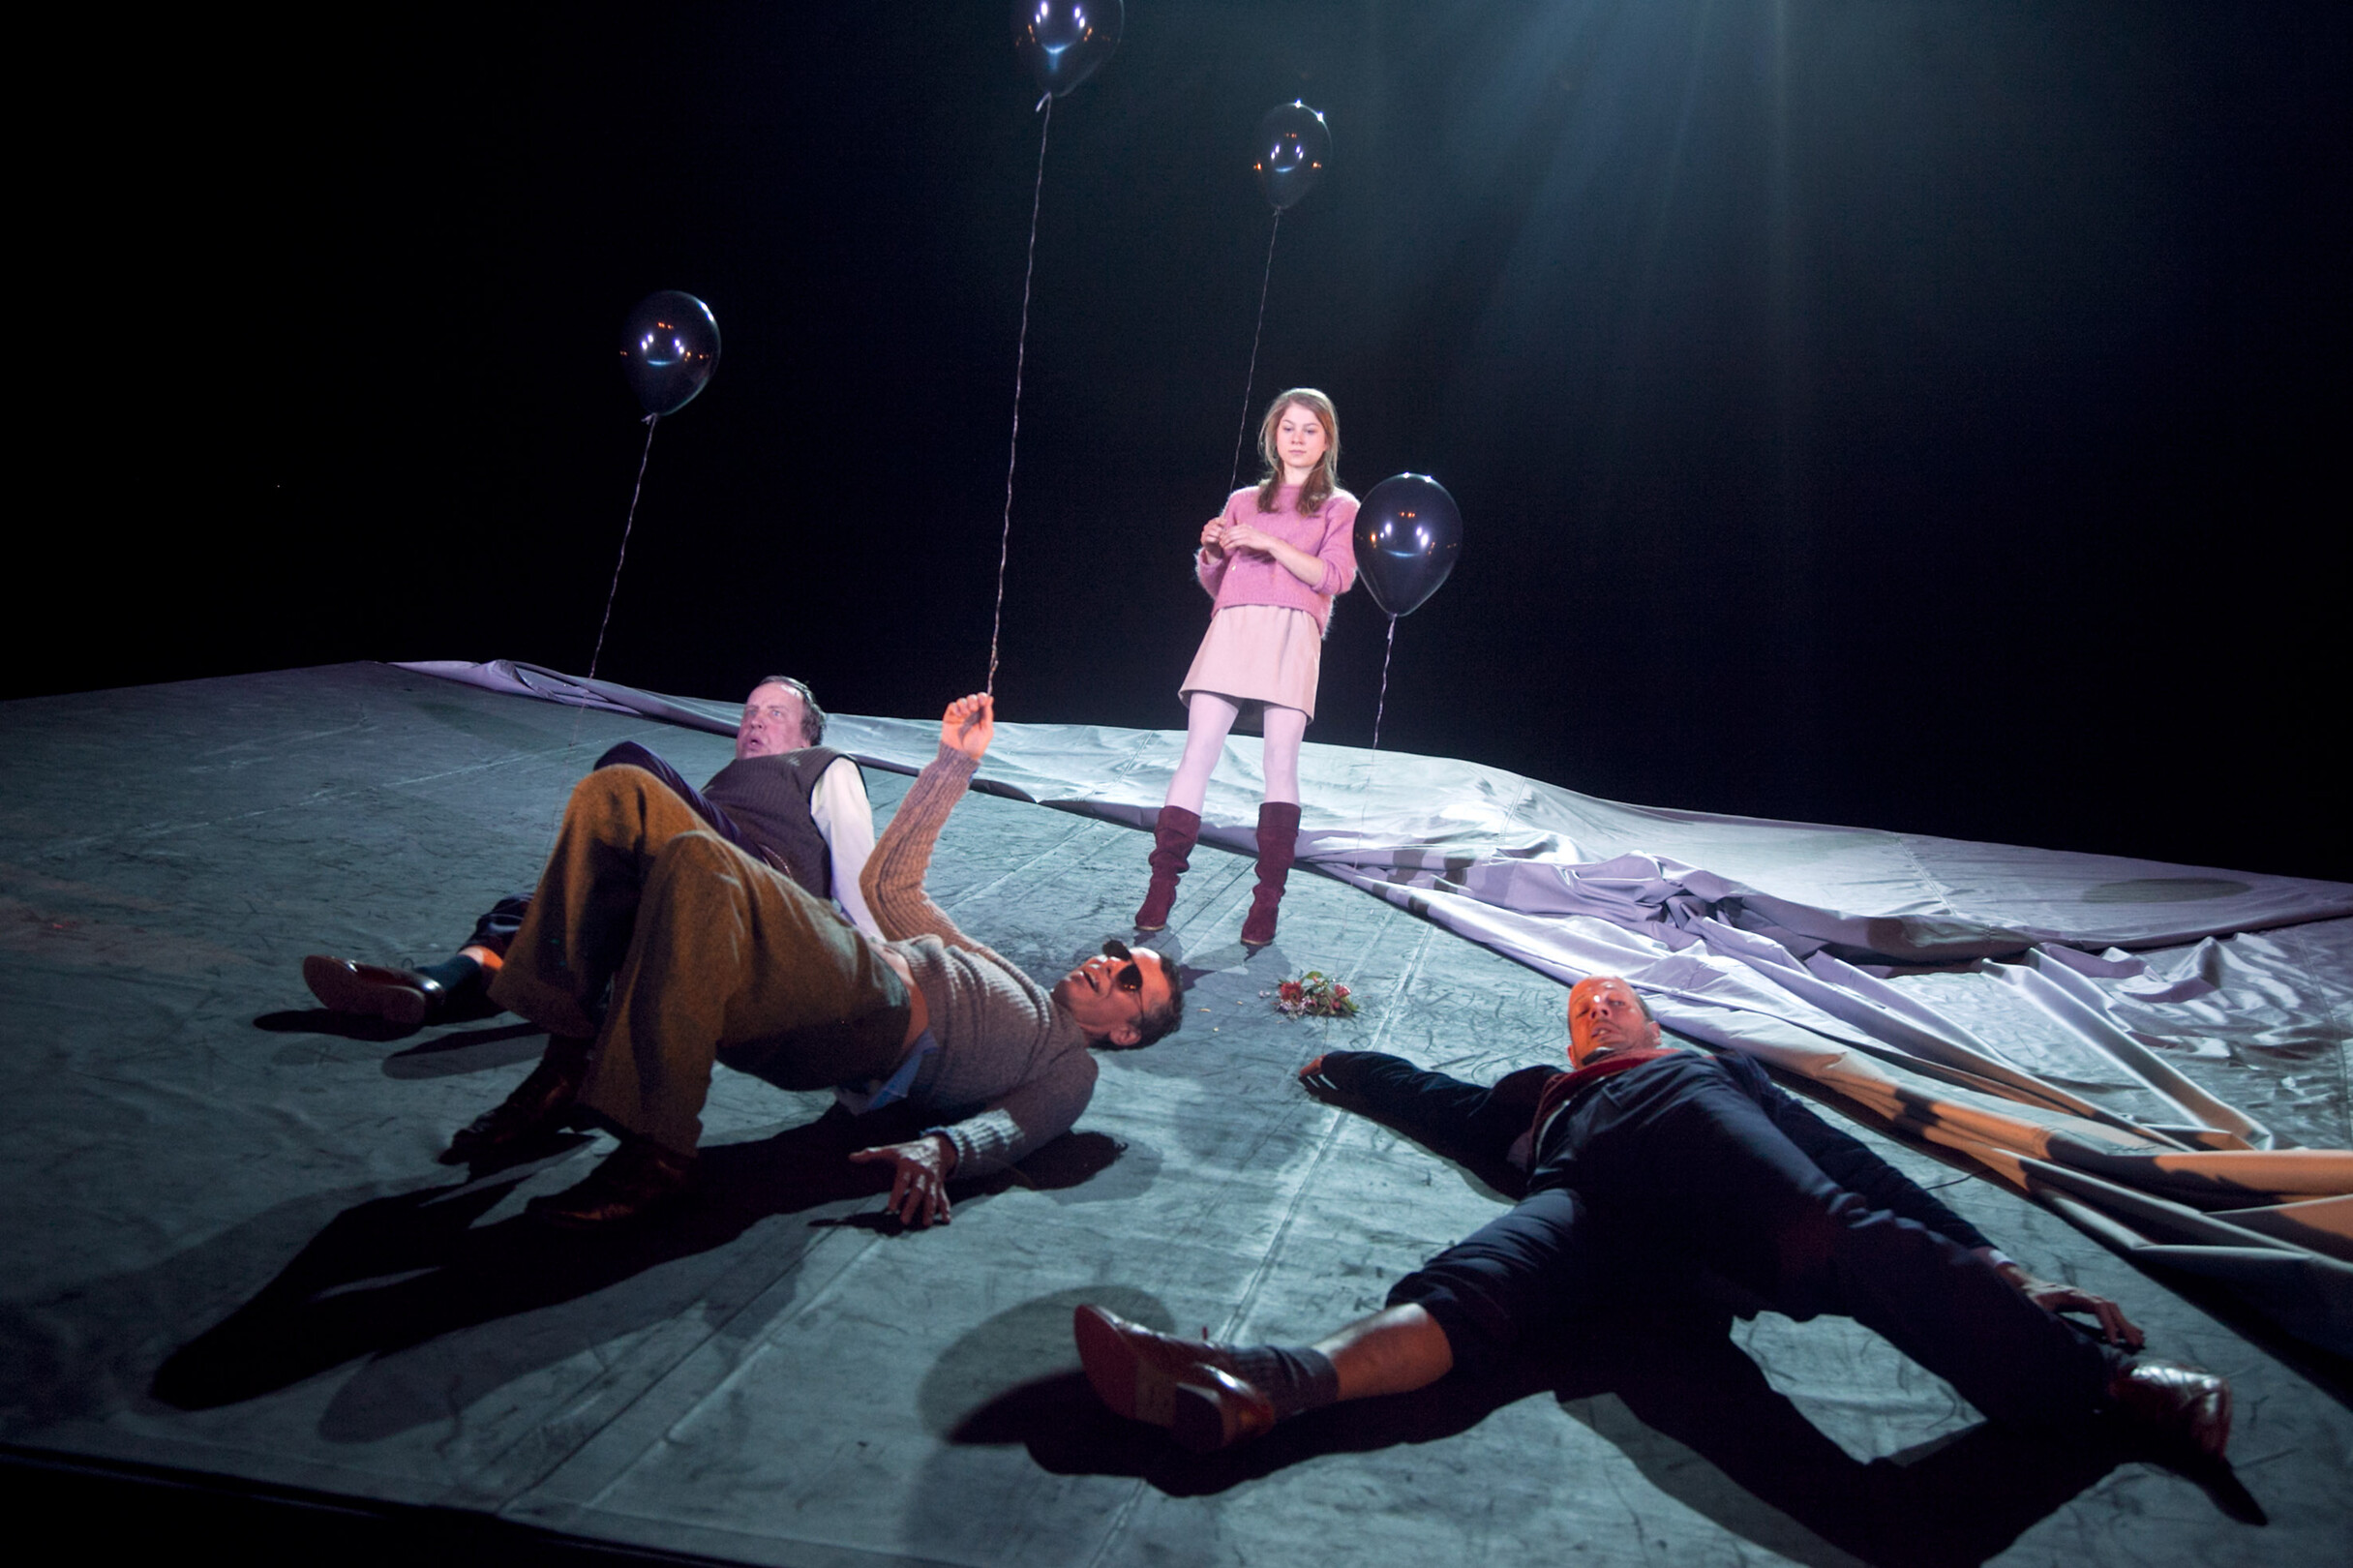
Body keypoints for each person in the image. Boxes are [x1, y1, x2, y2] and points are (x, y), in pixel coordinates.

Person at [1071, 975, 2231, 1464]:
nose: (1597, 1007)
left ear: (1648, 1025)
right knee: (1476, 1284)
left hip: (1680, 1136)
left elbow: (1846, 1163)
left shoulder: (1698, 1071)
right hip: (1590, 1196)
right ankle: (1261, 1384)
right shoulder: (1540, 1104)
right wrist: (1345, 1065)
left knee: (1830, 1228)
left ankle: (2102, 1385)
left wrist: (2002, 1267)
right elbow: (1431, 1099)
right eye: (1583, 1007)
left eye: (1613, 1000)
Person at [445, 692, 1188, 1230]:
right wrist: (952, 764)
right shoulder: (1000, 971)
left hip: (869, 1016)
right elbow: (889, 889)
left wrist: (942, 1151)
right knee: (622, 791)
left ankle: (659, 1148)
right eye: (1115, 954)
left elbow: (1020, 1127)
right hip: (839, 957)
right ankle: (567, 1058)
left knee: (701, 858)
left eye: (1129, 980)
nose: (1107, 964)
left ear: (1126, 1032)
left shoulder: (1069, 1065)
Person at [300, 677, 879, 1027]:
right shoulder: (718, 788)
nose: (754, 721)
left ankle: (568, 992)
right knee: (545, 904)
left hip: (761, 888)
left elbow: (860, 874)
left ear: (808, 735)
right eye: (749, 711)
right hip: (690, 889)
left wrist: (878, 974)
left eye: (774, 713)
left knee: (631, 765)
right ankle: (437, 986)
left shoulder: (825, 766)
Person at [1133, 389, 1359, 948]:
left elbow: (1335, 577)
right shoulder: (1242, 500)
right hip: (1234, 625)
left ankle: (1266, 903)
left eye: (1310, 429)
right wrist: (1212, 550)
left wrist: (1269, 542)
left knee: (1279, 763)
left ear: (1327, 440)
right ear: (1273, 436)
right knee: (1197, 754)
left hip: (1292, 630)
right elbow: (1219, 582)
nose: (1298, 438)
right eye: (1288, 428)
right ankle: (1160, 888)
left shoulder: (1339, 507)